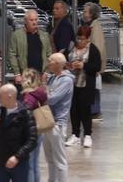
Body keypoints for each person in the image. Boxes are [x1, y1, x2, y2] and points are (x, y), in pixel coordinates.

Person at [64, 26, 101, 149]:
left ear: (88, 39)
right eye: (78, 38)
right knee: (73, 110)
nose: (79, 41)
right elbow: (64, 60)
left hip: (86, 85)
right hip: (72, 84)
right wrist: (69, 65)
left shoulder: (93, 50)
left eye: (82, 39)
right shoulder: (71, 47)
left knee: (85, 110)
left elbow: (97, 67)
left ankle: (88, 135)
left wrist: (83, 65)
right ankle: (75, 134)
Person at [0, 84, 38, 182]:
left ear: (10, 96)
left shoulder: (26, 113)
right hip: (1, 160)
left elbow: (32, 140)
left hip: (19, 162)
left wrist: (17, 157)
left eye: (0, 95)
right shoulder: (1, 110)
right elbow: (2, 132)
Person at [44, 53, 74, 182]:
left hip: (58, 124)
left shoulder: (66, 80)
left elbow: (51, 99)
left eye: (50, 61)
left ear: (57, 64)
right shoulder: (52, 78)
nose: (48, 63)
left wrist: (43, 93)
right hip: (47, 122)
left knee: (60, 160)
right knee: (50, 159)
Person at [7, 10, 52, 84]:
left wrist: (47, 72)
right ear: (25, 21)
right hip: (24, 75)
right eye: (31, 20)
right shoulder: (16, 35)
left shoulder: (44, 35)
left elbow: (49, 55)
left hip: (40, 75)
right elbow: (12, 54)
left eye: (36, 19)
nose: (34, 22)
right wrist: (17, 73)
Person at [20, 69, 47, 182]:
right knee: (35, 162)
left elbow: (26, 110)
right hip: (40, 129)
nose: (21, 80)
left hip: (30, 130)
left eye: (23, 78)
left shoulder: (28, 96)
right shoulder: (40, 92)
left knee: (29, 163)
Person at [80, 2, 106, 120]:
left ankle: (95, 111)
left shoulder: (96, 27)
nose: (83, 13)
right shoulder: (89, 25)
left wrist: (97, 66)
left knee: (94, 87)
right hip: (89, 63)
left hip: (94, 64)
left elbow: (98, 47)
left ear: (91, 14)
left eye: (85, 11)